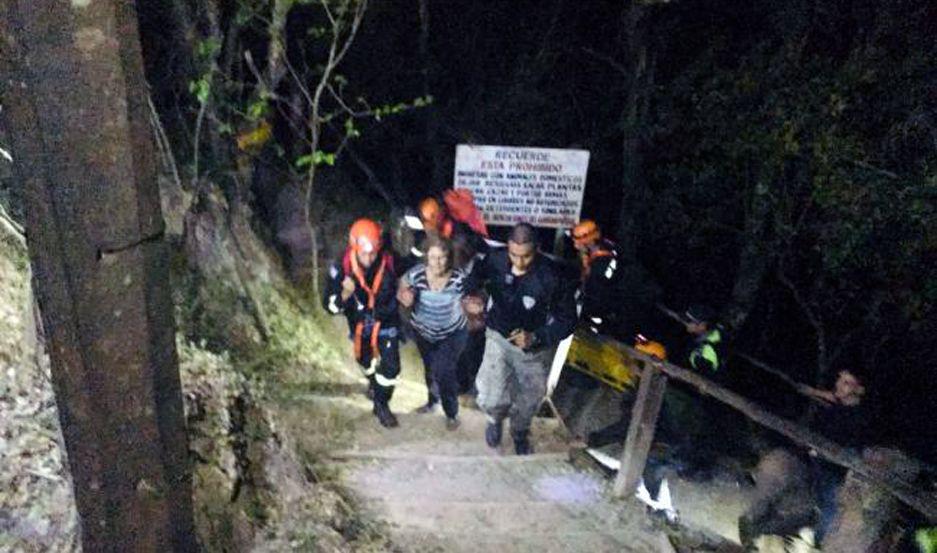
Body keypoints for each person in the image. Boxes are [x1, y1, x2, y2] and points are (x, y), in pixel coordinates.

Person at [468, 222, 577, 455]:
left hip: (534, 350)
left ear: (536, 249)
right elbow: (473, 278)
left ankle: (519, 432)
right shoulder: (495, 260)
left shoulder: (552, 277)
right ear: (507, 248)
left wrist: (537, 337)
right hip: (498, 336)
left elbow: (568, 321)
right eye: (514, 255)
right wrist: (472, 296)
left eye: (525, 256)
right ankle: (494, 420)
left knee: (529, 399)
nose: (519, 262)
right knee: (491, 392)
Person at [323, 218, 401, 428]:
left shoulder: (389, 260)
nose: (369, 258)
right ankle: (373, 383)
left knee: (391, 368)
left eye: (373, 253)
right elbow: (330, 308)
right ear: (354, 248)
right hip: (359, 323)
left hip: (386, 320)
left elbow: (408, 273)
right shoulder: (341, 268)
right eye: (364, 253)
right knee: (365, 361)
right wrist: (344, 295)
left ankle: (382, 404)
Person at [398, 235, 471, 429]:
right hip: (424, 331)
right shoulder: (416, 275)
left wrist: (474, 306)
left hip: (452, 332)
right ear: (426, 258)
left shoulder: (459, 278)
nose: (437, 263)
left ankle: (451, 412)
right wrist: (406, 296)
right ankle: (432, 401)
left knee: (443, 369)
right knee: (430, 367)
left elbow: (473, 297)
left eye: (442, 257)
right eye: (433, 257)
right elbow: (402, 287)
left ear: (449, 258)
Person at [802, 369, 874, 546]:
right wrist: (811, 391)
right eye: (840, 380)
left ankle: (819, 542)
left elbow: (853, 449)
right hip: (819, 460)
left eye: (847, 383)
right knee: (817, 497)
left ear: (859, 390)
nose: (839, 385)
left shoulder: (858, 419)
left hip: (833, 468)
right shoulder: (840, 404)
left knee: (830, 504)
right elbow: (832, 396)